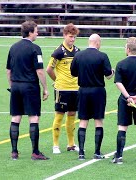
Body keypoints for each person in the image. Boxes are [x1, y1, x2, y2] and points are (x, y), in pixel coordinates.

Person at [6, 20, 49, 160]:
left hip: (16, 86)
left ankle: (14, 152)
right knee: (34, 117)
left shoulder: (13, 47)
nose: (37, 33)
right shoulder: (35, 48)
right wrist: (45, 88)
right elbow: (40, 71)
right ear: (30, 32)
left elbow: (8, 70)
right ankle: (35, 152)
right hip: (30, 86)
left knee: (16, 117)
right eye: (36, 31)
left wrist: (12, 85)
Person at [70, 34, 115, 160]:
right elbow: (108, 75)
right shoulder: (102, 56)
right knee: (98, 120)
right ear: (97, 42)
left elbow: (73, 73)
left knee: (83, 121)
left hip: (83, 90)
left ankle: (81, 153)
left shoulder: (78, 55)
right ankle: (96, 152)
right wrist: (113, 71)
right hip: (98, 91)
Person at [46, 23, 80, 154]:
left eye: (74, 37)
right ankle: (55, 145)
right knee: (59, 115)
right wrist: (57, 81)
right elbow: (49, 69)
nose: (72, 39)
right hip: (62, 89)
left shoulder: (77, 51)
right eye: (71, 36)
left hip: (75, 88)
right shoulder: (58, 52)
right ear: (65, 35)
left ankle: (71, 144)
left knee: (72, 114)